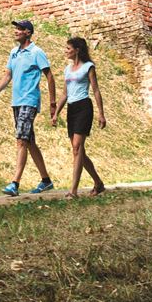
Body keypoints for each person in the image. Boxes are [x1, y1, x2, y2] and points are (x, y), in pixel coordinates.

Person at [0, 19, 57, 197]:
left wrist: (52, 103)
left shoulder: (36, 52)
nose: (16, 31)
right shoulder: (14, 53)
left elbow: (50, 77)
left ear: (28, 32)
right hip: (16, 102)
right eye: (16, 29)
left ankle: (15, 183)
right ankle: (46, 181)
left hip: (30, 101)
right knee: (29, 142)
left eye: (19, 29)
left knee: (21, 140)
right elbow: (8, 74)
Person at [52, 36, 106, 199]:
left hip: (84, 107)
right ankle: (98, 183)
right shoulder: (67, 70)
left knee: (77, 147)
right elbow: (64, 93)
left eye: (68, 48)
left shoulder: (89, 67)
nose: (65, 51)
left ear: (77, 50)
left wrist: (101, 114)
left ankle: (73, 191)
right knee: (78, 151)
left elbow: (96, 90)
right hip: (72, 108)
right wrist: (56, 113)